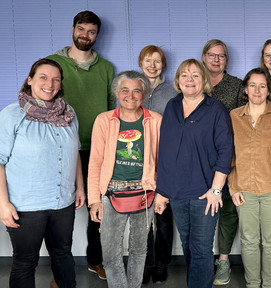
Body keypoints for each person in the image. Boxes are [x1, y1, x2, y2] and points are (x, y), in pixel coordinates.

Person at [0, 58, 84, 288]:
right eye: (43, 78)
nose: (50, 83)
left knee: (63, 255)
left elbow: (74, 152)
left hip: (63, 202)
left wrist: (80, 187)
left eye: (56, 79)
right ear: (30, 81)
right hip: (26, 206)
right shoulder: (11, 115)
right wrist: (2, 203)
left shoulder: (68, 113)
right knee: (25, 262)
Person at [46, 10, 114, 281]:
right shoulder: (52, 63)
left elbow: (111, 111)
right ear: (73, 29)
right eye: (81, 29)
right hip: (61, 150)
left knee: (99, 209)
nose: (85, 35)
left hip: (97, 150)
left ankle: (96, 261)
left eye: (92, 31)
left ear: (97, 35)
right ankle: (59, 270)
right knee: (60, 212)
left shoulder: (107, 68)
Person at [154, 59, 234, 288]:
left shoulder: (216, 109)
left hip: (205, 194)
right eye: (185, 75)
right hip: (177, 192)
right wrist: (163, 192)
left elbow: (226, 151)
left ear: (204, 81)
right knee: (189, 245)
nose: (190, 79)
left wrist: (216, 190)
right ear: (178, 80)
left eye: (196, 75)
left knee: (200, 248)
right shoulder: (172, 106)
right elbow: (165, 151)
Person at [87, 70, 161, 288]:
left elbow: (162, 162)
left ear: (144, 94)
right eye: (125, 90)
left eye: (136, 90)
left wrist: (162, 195)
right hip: (111, 195)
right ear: (116, 93)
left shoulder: (155, 121)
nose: (131, 95)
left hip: (145, 194)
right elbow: (95, 163)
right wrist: (95, 200)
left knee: (139, 251)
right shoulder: (104, 120)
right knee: (110, 255)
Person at [229, 67, 271, 288]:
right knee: (248, 242)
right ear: (245, 89)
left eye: (262, 86)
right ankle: (252, 284)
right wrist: (233, 187)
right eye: (252, 85)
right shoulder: (233, 117)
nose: (257, 90)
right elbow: (228, 156)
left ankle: (269, 285)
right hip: (244, 190)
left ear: (269, 90)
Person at [201, 39, 243, 286]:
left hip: (228, 157)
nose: (216, 60)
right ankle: (203, 260)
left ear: (226, 60)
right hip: (199, 159)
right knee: (202, 211)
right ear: (204, 57)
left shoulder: (236, 85)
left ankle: (224, 259)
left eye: (221, 56)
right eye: (212, 55)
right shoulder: (195, 81)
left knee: (227, 211)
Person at [137, 45, 178, 284]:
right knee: (141, 217)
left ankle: (161, 262)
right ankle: (146, 263)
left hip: (164, 161)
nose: (152, 66)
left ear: (163, 65)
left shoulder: (172, 91)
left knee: (162, 216)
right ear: (140, 63)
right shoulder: (132, 88)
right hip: (136, 161)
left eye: (157, 61)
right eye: (147, 61)